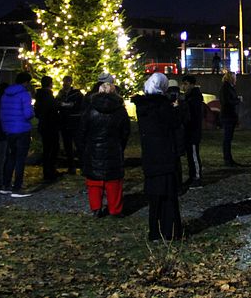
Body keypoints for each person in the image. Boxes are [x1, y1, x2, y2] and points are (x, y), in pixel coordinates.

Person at [133, 73, 184, 241]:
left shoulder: (142, 107)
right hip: (165, 156)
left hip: (150, 156)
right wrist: (175, 109)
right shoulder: (164, 107)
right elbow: (174, 126)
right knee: (168, 196)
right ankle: (170, 231)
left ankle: (154, 231)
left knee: (154, 198)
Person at [79, 81, 130, 218]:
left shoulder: (90, 109)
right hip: (113, 147)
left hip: (94, 148)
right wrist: (120, 145)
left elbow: (82, 131)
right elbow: (125, 132)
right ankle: (115, 209)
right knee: (114, 181)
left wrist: (85, 147)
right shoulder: (120, 110)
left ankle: (96, 208)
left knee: (94, 181)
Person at [0, 72, 35, 198]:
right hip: (22, 129)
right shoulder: (24, 95)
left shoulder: (5, 94)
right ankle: (17, 187)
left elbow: (2, 112)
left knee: (11, 157)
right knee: (20, 158)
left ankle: (6, 185)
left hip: (9, 129)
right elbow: (28, 114)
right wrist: (32, 110)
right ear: (26, 82)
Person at [35, 76, 61, 182]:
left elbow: (37, 111)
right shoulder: (49, 96)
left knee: (47, 149)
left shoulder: (39, 96)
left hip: (43, 125)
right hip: (51, 126)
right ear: (50, 84)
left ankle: (47, 171)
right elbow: (54, 109)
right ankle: (50, 171)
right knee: (53, 149)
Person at [57, 76, 84, 174]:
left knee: (78, 145)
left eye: (67, 81)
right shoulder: (61, 93)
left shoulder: (76, 93)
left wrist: (66, 105)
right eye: (64, 81)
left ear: (70, 82)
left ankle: (82, 166)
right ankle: (72, 167)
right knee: (68, 146)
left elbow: (79, 105)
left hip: (74, 121)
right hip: (66, 122)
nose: (65, 83)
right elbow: (58, 104)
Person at [181, 75, 204, 188]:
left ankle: (197, 177)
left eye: (185, 84)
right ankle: (192, 175)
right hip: (189, 130)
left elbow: (193, 115)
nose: (183, 87)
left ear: (191, 84)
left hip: (193, 130)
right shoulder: (190, 96)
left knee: (194, 154)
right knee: (190, 154)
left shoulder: (194, 97)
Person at [219, 71, 241, 167]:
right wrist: (237, 100)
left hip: (229, 115)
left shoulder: (227, 87)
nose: (236, 79)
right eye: (234, 77)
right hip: (228, 116)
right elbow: (226, 102)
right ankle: (227, 159)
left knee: (228, 138)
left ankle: (228, 158)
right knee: (227, 139)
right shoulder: (226, 88)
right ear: (231, 78)